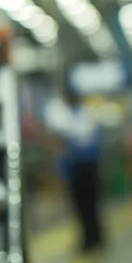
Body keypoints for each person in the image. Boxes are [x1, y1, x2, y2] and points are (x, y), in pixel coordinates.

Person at [47, 92, 105, 253]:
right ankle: (95, 239)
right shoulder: (84, 117)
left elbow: (65, 143)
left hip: (82, 169)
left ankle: (90, 240)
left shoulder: (77, 119)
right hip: (87, 169)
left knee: (84, 206)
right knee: (90, 206)